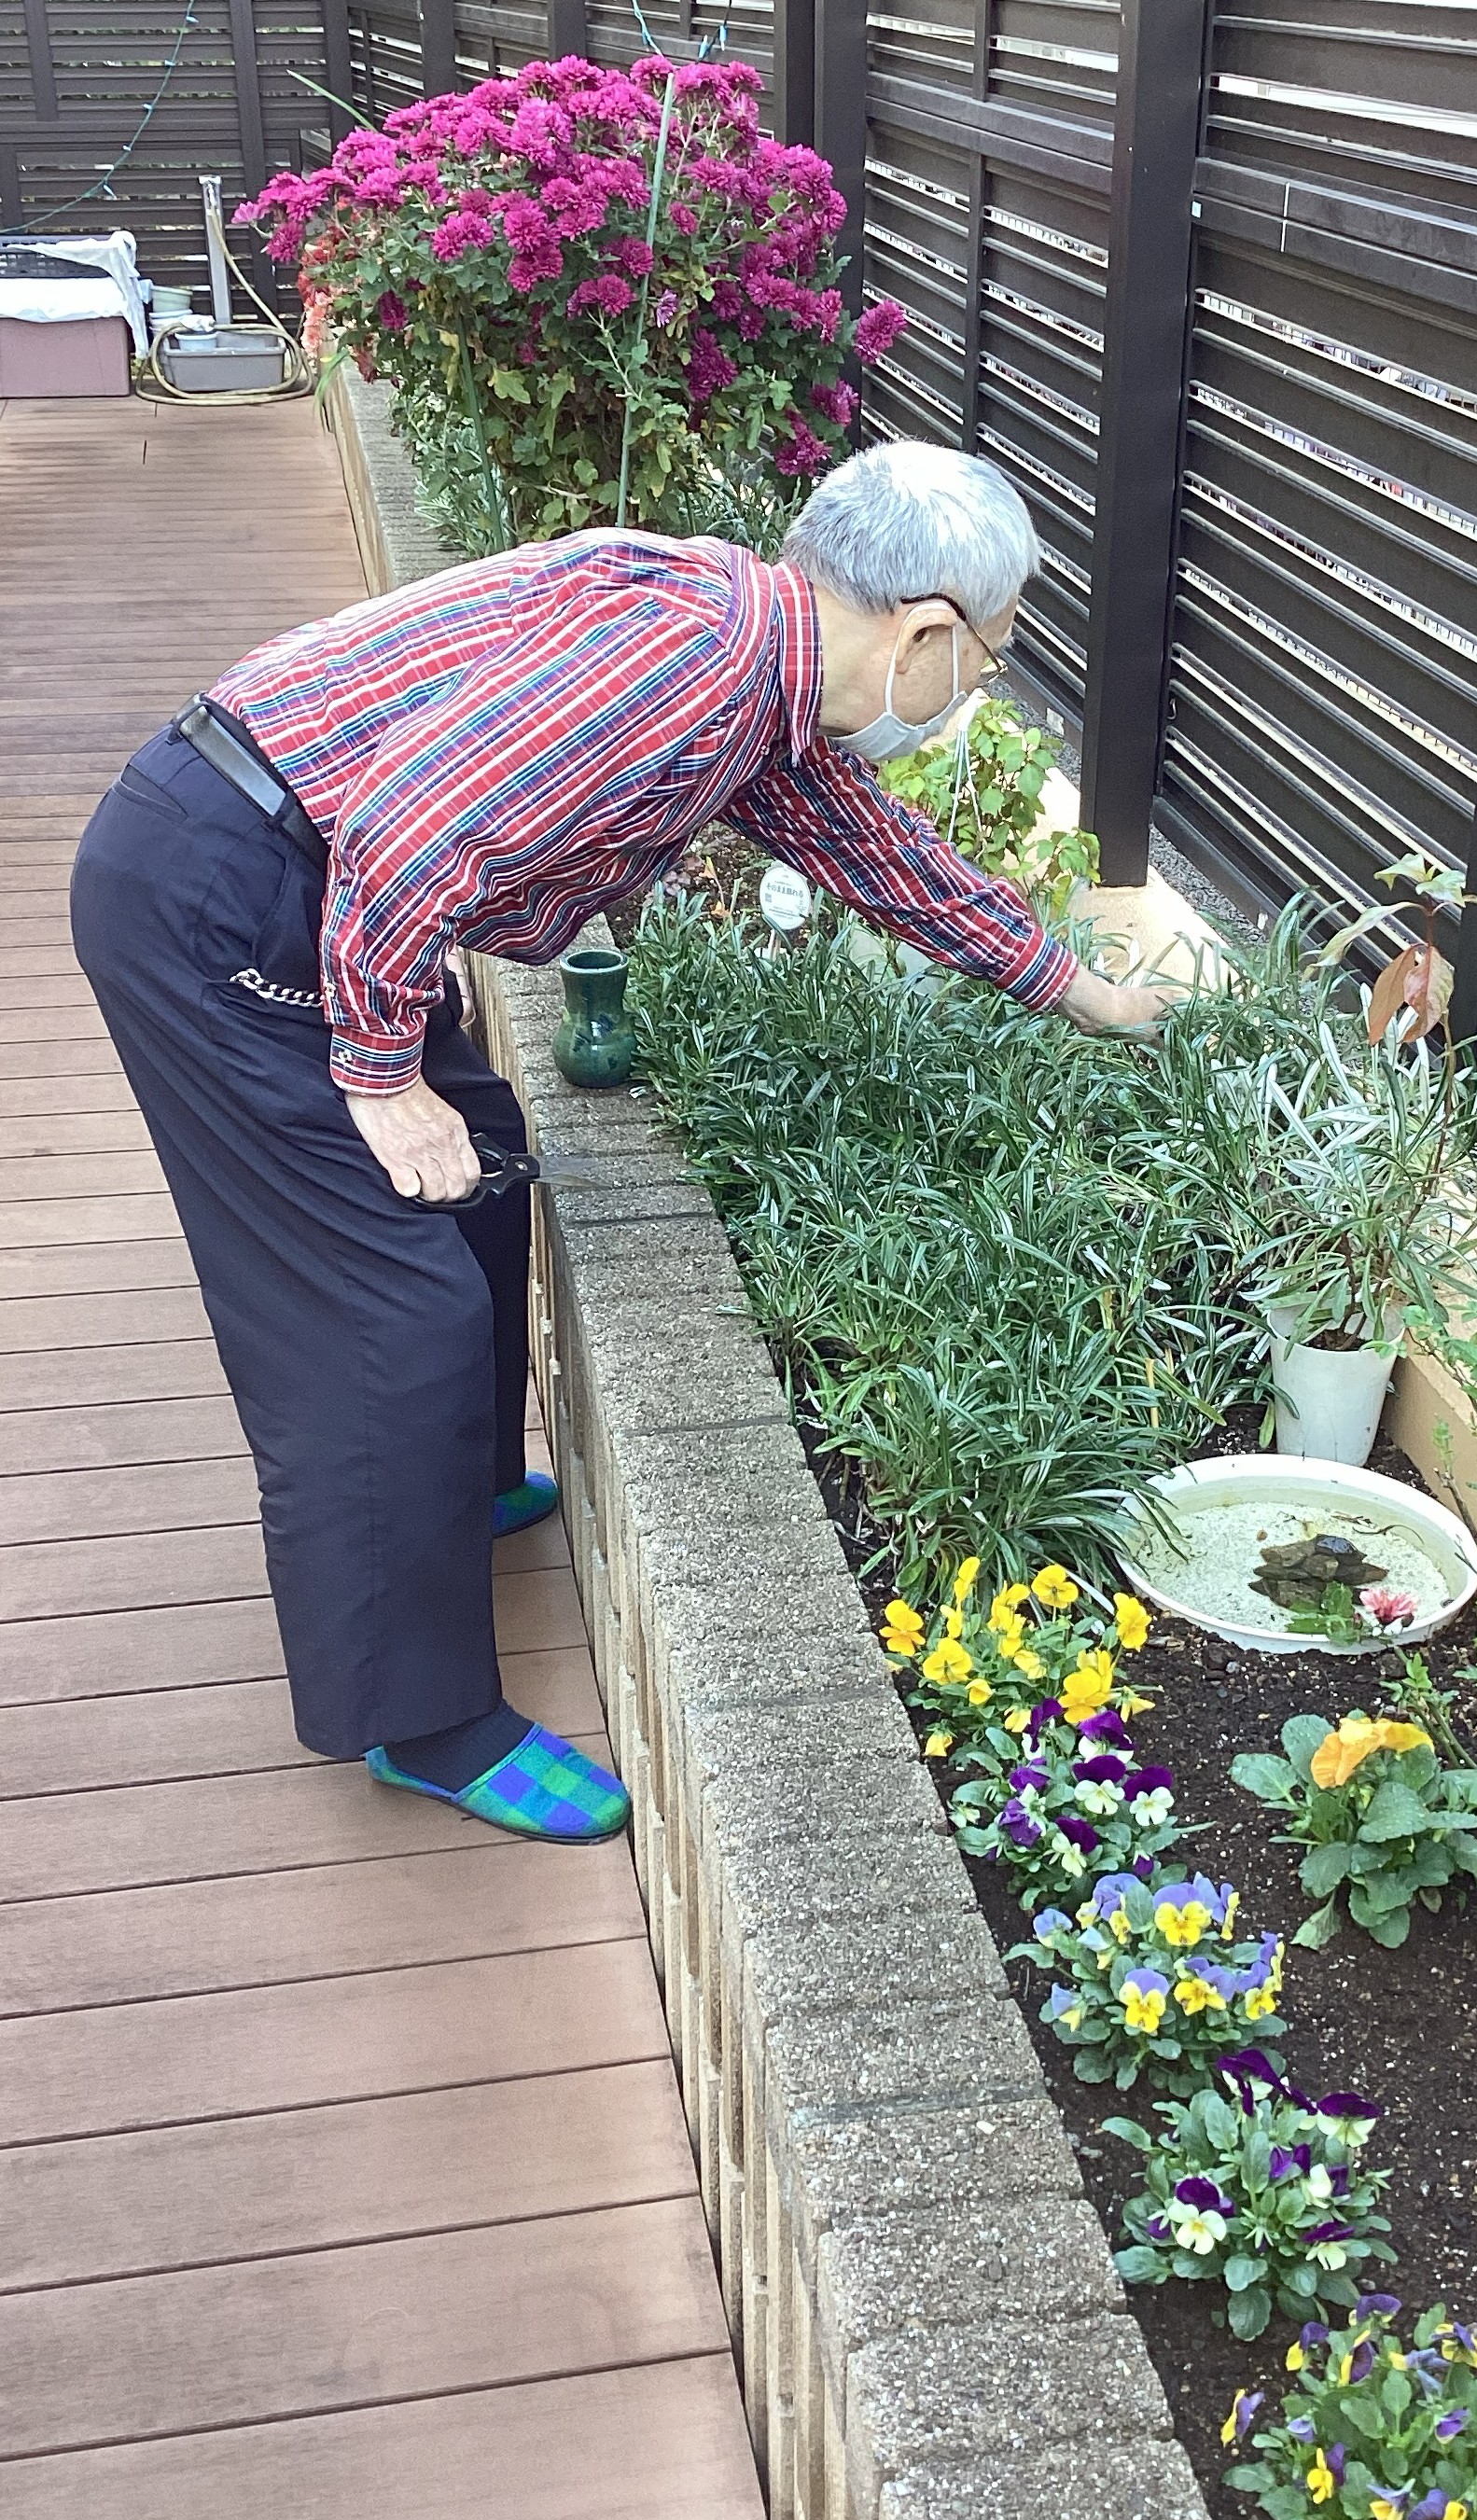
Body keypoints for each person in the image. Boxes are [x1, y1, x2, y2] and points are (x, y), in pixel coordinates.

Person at [70, 439, 1167, 1845]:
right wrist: (375, 1060)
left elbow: (876, 855)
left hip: (286, 864)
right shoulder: (690, 672)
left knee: (482, 1154)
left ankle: (451, 1490)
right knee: (376, 1309)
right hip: (216, 894)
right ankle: (427, 1720)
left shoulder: (759, 673)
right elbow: (409, 838)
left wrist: (1077, 988)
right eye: (991, 660)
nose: (977, 690)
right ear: (931, 632)